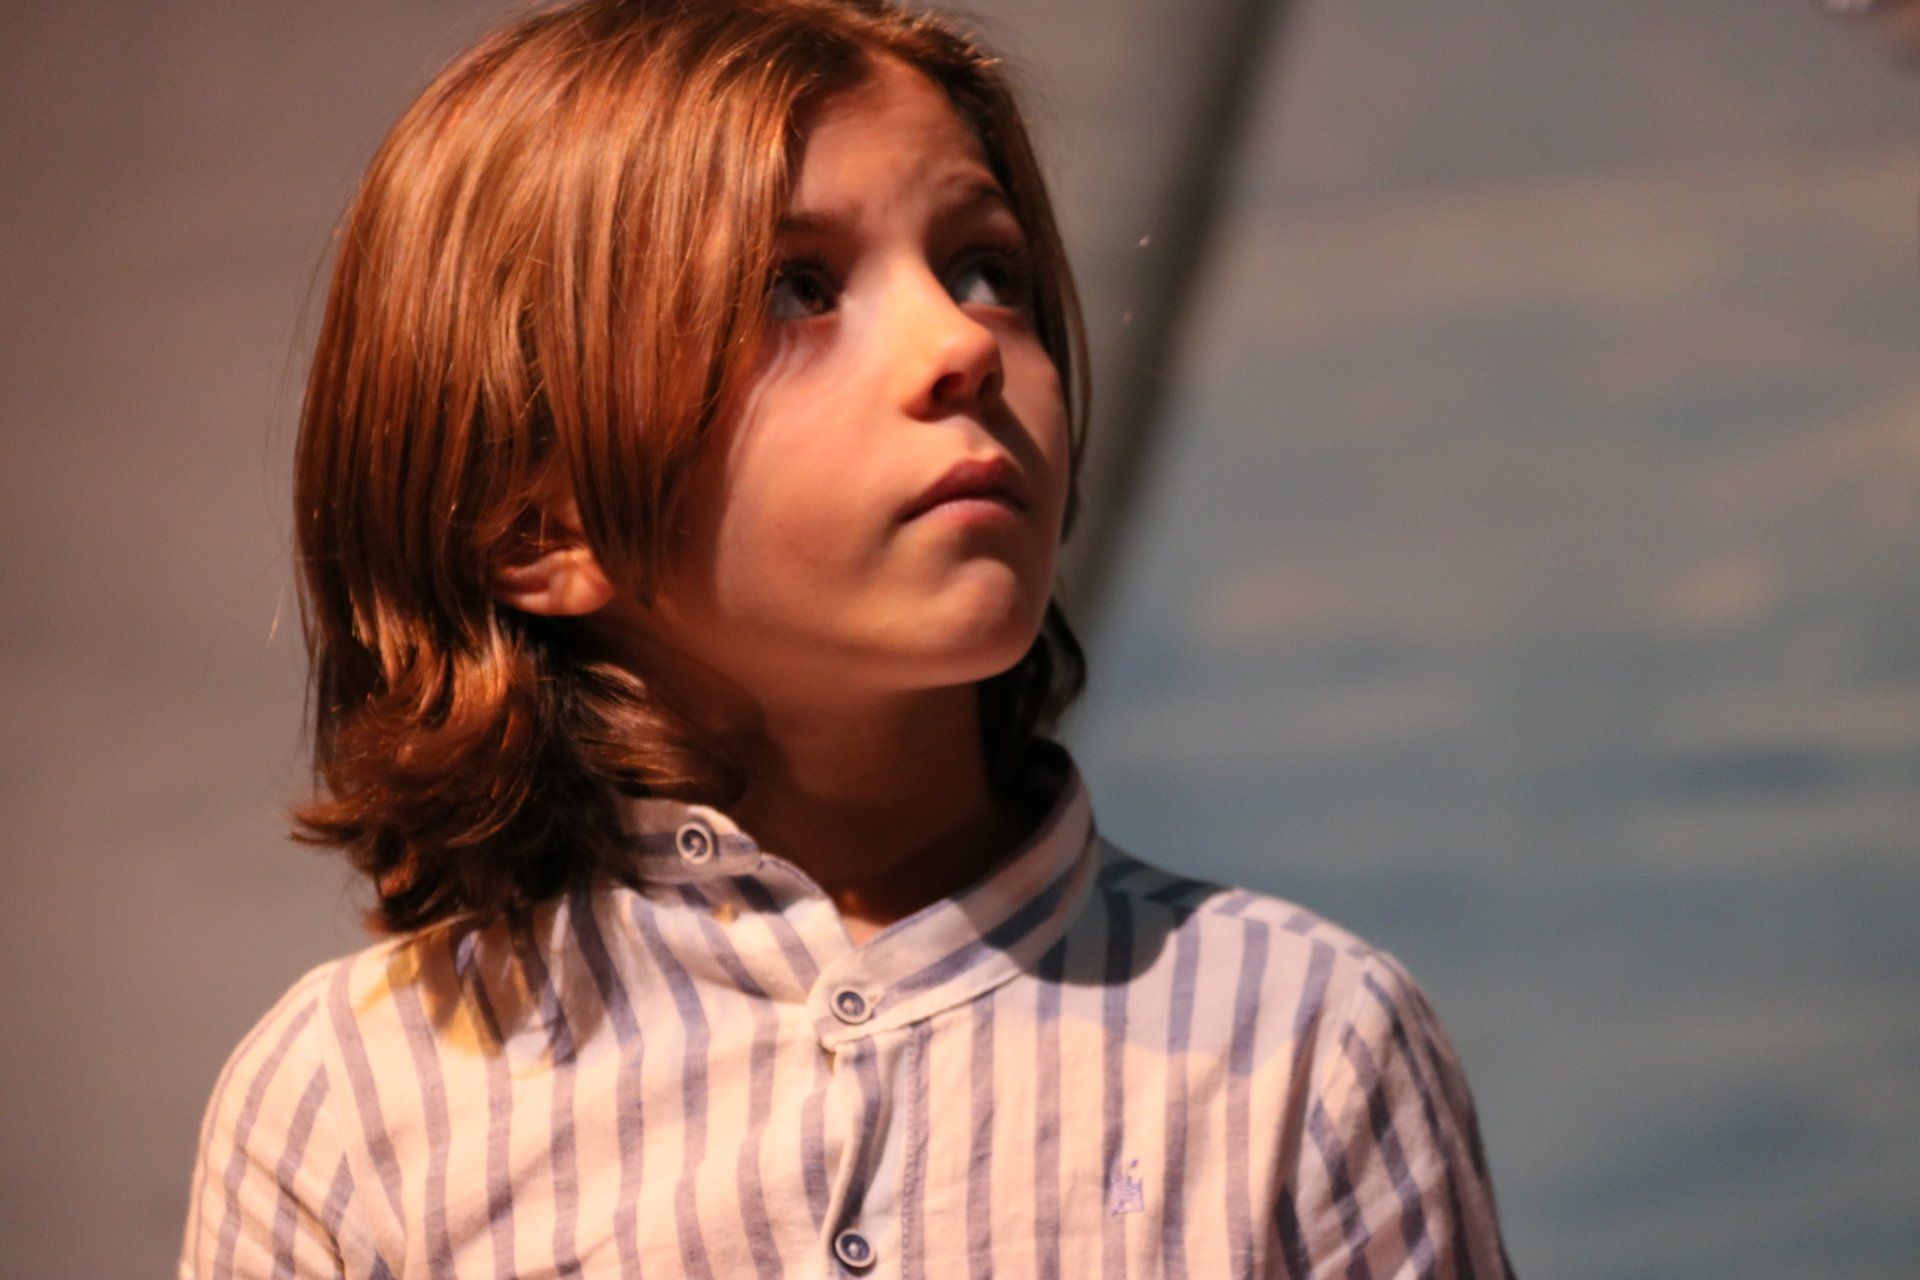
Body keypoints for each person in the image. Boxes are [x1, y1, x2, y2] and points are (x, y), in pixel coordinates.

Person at [178, 1, 1515, 1276]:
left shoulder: (1303, 1042)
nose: (960, 344)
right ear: (541, 522)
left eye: (988, 270)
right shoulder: (349, 1108)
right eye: (796, 289)